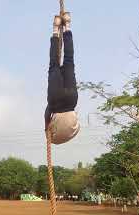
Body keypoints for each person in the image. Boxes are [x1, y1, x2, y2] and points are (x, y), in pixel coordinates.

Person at [45, 12, 80, 145]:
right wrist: (45, 127)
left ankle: (67, 25)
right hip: (55, 100)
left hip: (71, 100)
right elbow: (47, 113)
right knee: (54, 63)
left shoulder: (71, 129)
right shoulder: (53, 132)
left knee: (69, 60)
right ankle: (56, 28)